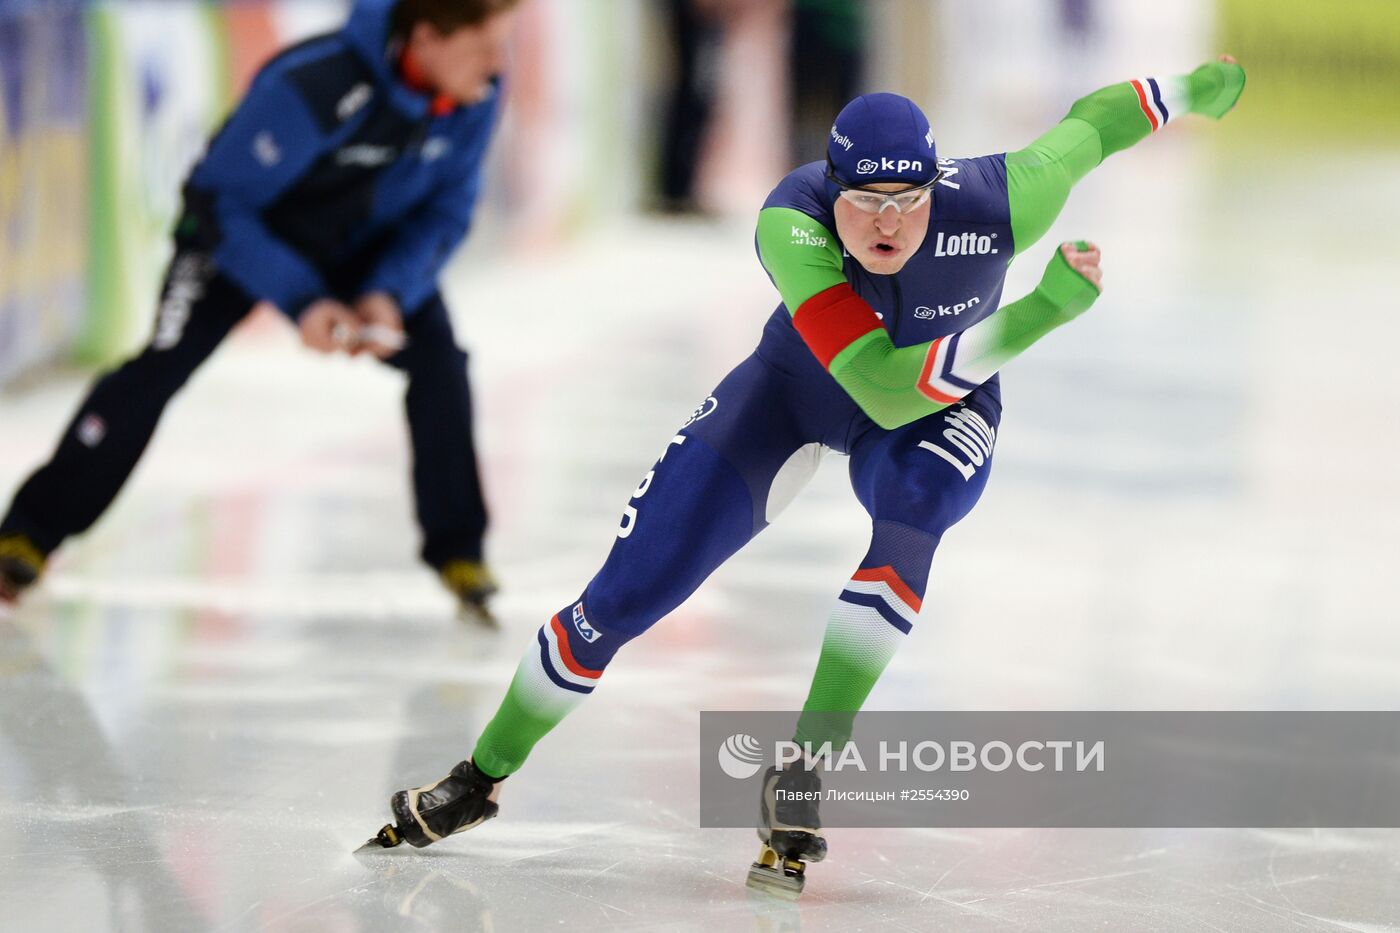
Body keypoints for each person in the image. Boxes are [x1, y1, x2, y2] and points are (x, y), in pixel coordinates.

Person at [365, 58, 1247, 887]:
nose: (889, 223)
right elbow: (882, 389)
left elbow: (1093, 122)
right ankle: (478, 778)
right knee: (627, 593)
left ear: (939, 185)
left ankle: (803, 770)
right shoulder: (791, 222)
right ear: (833, 194)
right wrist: (1040, 312)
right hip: (804, 393)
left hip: (946, 406)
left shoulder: (1004, 197)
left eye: (909, 198)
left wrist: (1195, 88)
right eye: (865, 201)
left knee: (915, 516)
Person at [0, 0, 520, 623]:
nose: (497, 64)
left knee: (441, 364)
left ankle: (460, 554)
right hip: (240, 240)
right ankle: (27, 533)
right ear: (428, 37)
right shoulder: (316, 83)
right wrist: (303, 300)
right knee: (162, 365)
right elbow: (219, 201)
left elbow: (447, 212)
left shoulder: (478, 91)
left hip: (361, 252)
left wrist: (388, 292)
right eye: (484, 45)